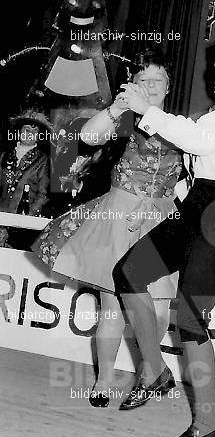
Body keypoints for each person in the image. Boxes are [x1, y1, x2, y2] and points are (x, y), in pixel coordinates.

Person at [112, 10, 215, 437]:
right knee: (128, 273)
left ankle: (209, 421)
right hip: (197, 206)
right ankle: (154, 370)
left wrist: (146, 110)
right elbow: (202, 155)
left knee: (189, 316)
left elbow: (198, 141)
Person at [33, 48, 182, 407]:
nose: (150, 86)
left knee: (159, 308)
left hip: (160, 219)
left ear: (167, 87)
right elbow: (89, 136)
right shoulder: (125, 119)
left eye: (157, 79)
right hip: (118, 215)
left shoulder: (181, 126)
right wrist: (116, 108)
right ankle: (103, 381)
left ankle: (149, 373)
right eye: (143, 79)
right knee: (113, 306)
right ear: (132, 84)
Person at [0, 110, 52, 249]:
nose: (29, 133)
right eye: (26, 129)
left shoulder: (43, 160)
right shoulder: (5, 156)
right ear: (19, 132)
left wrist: (25, 220)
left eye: (34, 131)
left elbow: (43, 195)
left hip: (22, 226)